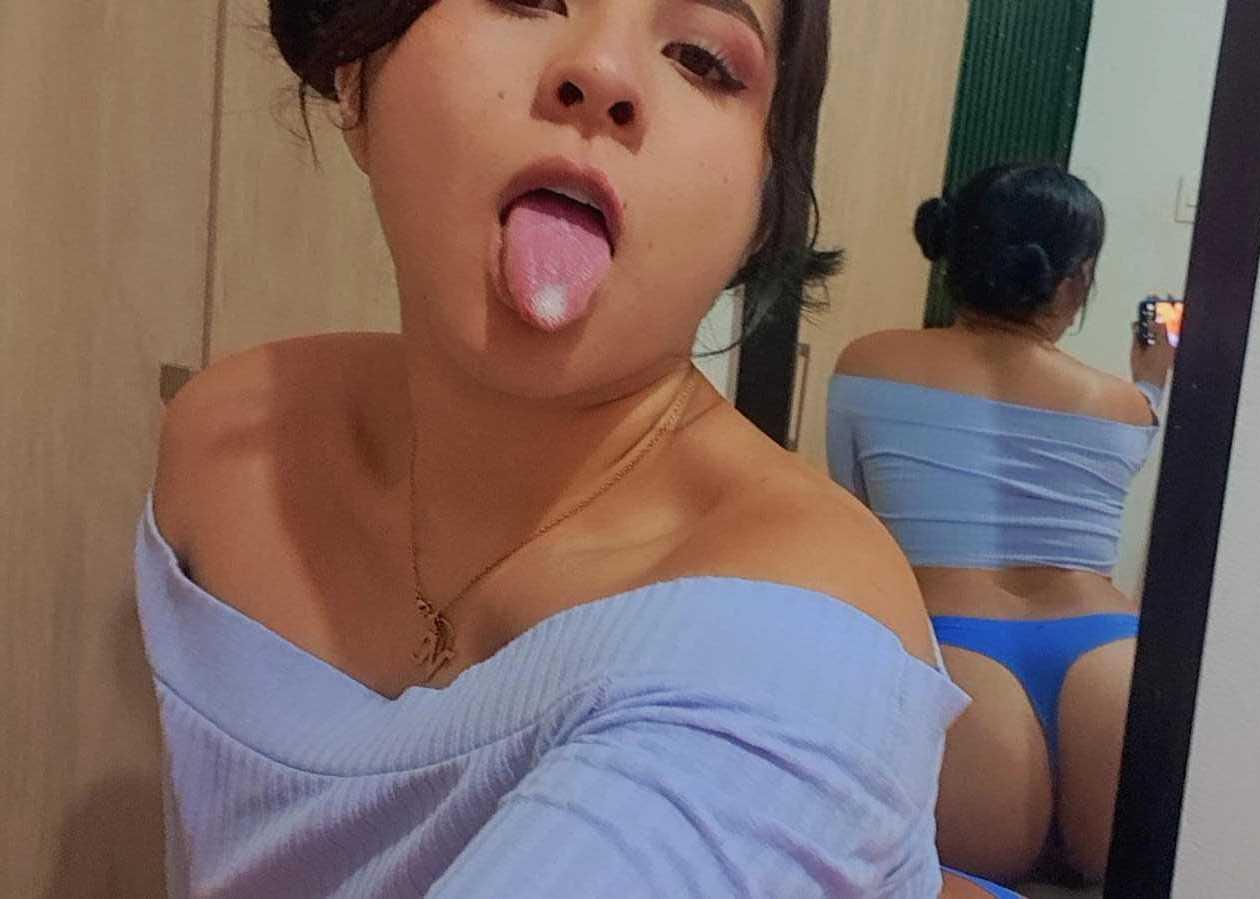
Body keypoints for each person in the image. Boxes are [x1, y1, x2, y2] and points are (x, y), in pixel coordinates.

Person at [138, 1, 973, 895]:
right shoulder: (237, 441)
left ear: (762, 211)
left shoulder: (794, 647)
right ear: (354, 76)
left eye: (700, 58)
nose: (601, 75)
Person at [827, 162, 1176, 886]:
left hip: (950, 661)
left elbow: (854, 521)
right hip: (1112, 661)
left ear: (952, 251)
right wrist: (1153, 375)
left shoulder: (870, 363)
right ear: (1076, 282)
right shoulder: (1125, 406)